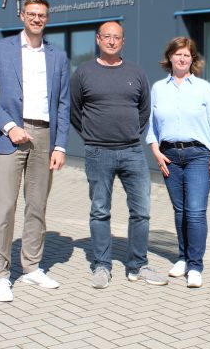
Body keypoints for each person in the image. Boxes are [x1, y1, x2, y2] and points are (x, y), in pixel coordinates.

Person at [0, 0, 70, 302]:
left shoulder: (58, 56)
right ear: (21, 16)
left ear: (47, 18)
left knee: (37, 205)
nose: (36, 19)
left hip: (44, 135)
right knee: (5, 207)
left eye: (42, 14)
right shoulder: (1, 49)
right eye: (31, 14)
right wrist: (9, 126)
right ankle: (0, 275)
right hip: (10, 134)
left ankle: (31, 267)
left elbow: (63, 104)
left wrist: (60, 145)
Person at [70, 21, 168, 289]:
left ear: (123, 42)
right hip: (98, 151)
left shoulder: (136, 72)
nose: (112, 41)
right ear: (98, 40)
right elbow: (75, 111)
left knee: (141, 211)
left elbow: (144, 110)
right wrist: (92, 136)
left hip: (132, 152)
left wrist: (130, 133)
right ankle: (102, 265)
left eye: (117, 37)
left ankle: (138, 265)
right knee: (100, 210)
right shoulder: (83, 72)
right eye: (107, 37)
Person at [146, 37, 210, 288]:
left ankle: (195, 265)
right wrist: (156, 152)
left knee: (195, 211)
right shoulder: (158, 88)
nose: (182, 59)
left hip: (198, 156)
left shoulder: (203, 88)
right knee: (180, 211)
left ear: (193, 60)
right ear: (169, 57)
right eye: (178, 54)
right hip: (169, 155)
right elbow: (151, 125)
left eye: (187, 55)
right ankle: (181, 257)